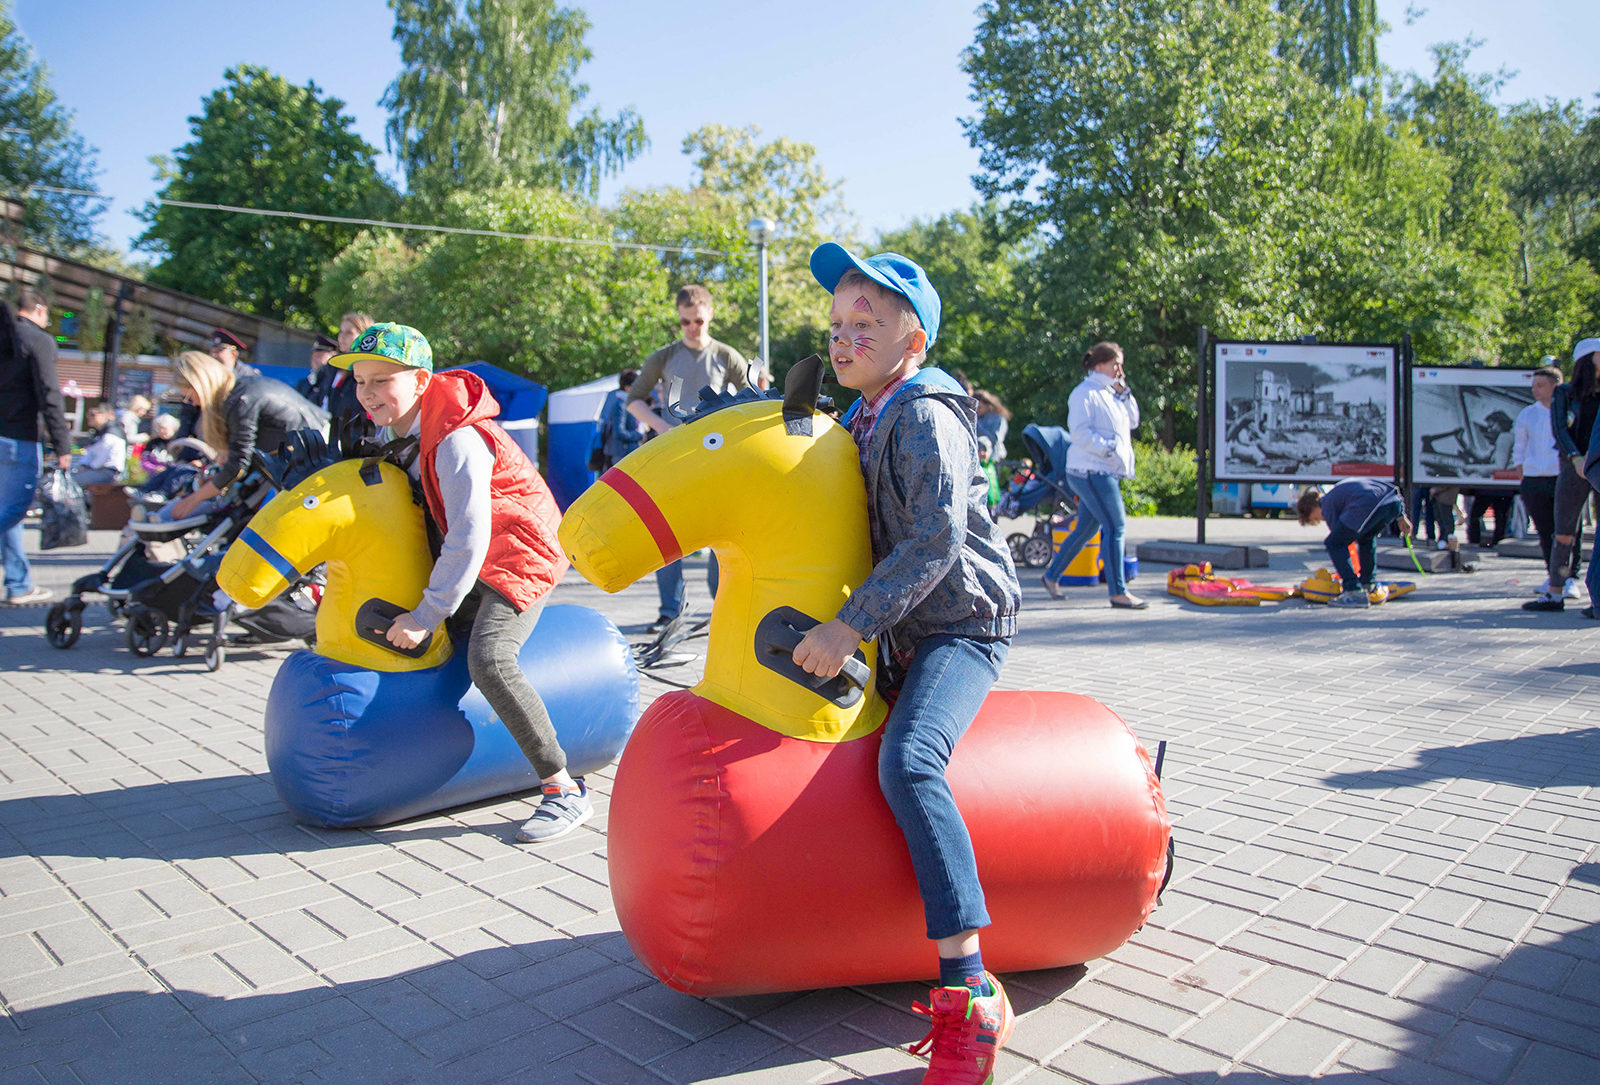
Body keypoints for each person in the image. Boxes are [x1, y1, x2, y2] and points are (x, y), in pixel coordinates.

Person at [792, 245, 1021, 1085]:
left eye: (867, 325)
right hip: (906, 627)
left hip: (962, 625)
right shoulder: (863, 412)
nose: (845, 338)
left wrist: (850, 626)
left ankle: (970, 986)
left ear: (912, 341)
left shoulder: (923, 413)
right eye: (837, 325)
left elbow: (936, 538)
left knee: (911, 757)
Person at [330, 323, 584, 842]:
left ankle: (563, 788)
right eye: (360, 381)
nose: (368, 393)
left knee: (488, 658)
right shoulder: (406, 433)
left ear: (422, 381)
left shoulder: (456, 440)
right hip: (481, 558)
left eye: (382, 380)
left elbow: (468, 537)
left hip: (520, 557)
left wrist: (427, 615)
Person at [627, 285, 749, 632]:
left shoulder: (726, 355)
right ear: (678, 320)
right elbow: (634, 399)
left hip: (716, 461)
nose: (693, 327)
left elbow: (755, 397)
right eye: (685, 322)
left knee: (721, 537)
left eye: (698, 320)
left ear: (709, 315)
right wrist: (664, 429)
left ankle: (724, 608)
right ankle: (670, 612)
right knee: (667, 536)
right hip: (673, 459)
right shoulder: (664, 357)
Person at [1041, 342, 1147, 609]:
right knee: (1116, 526)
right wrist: (1109, 449)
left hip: (1102, 469)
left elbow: (1133, 421)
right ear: (1100, 364)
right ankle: (1118, 592)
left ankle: (1051, 576)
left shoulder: (1111, 393)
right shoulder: (1084, 393)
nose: (1120, 370)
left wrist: (1125, 393)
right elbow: (1079, 434)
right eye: (1116, 364)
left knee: (1087, 529)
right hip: (1091, 470)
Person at [164, 352, 327, 521]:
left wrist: (194, 499)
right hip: (315, 457)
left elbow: (238, 465)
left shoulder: (239, 400)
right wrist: (219, 480)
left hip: (317, 465)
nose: (194, 404)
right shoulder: (242, 388)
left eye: (190, 397)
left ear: (202, 385)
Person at [1, 290, 73, 604]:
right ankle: (18, 584)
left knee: (7, 513)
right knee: (15, 509)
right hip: (18, 437)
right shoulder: (38, 340)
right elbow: (49, 394)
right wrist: (62, 445)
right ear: (40, 310)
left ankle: (18, 584)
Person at [1526, 339, 1600, 612]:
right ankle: (1555, 592)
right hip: (1574, 467)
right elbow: (1560, 429)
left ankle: (1596, 599)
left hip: (1598, 468)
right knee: (1564, 532)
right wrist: (1577, 458)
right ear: (1587, 359)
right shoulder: (1565, 393)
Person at [1296, 479, 1411, 608]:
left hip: (1368, 502)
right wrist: (1401, 516)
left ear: (1313, 507)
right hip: (1392, 502)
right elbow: (1389, 490)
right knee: (1366, 537)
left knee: (1333, 543)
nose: (1322, 519)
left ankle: (1353, 591)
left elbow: (1340, 541)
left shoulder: (1326, 503)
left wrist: (1346, 571)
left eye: (1317, 518)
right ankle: (1368, 584)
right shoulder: (1339, 493)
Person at [1512, 365, 1564, 581]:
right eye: (1533, 386)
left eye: (1540, 385)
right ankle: (1552, 575)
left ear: (1555, 386)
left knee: (1567, 529)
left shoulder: (1566, 410)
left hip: (1561, 476)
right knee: (1544, 530)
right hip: (1534, 478)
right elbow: (1519, 447)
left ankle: (1568, 576)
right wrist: (1522, 473)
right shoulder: (1528, 413)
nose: (1535, 390)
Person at [592, 369, 643, 472]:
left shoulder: (626, 403)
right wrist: (640, 435)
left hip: (623, 454)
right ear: (627, 387)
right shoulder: (621, 405)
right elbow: (619, 432)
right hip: (620, 455)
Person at [72, 404, 127, 486]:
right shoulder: (99, 432)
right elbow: (90, 452)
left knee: (72, 481)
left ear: (104, 415)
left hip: (107, 472)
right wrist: (83, 465)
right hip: (95, 469)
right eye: (88, 414)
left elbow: (102, 458)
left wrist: (87, 467)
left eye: (93, 415)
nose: (89, 417)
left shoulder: (112, 431)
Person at [295, 333, 341, 408]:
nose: (315, 359)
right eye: (314, 356)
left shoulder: (336, 381)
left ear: (333, 355)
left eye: (319, 355)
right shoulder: (303, 384)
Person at [972, 389, 1011, 462]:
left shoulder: (998, 418)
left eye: (980, 407)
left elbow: (996, 438)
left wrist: (978, 427)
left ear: (988, 405)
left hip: (994, 457)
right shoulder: (978, 417)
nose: (977, 410)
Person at [977, 436, 1001, 508]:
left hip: (993, 503)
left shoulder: (992, 466)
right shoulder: (977, 467)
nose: (981, 453)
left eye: (984, 450)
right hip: (982, 504)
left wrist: (997, 498)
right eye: (979, 450)